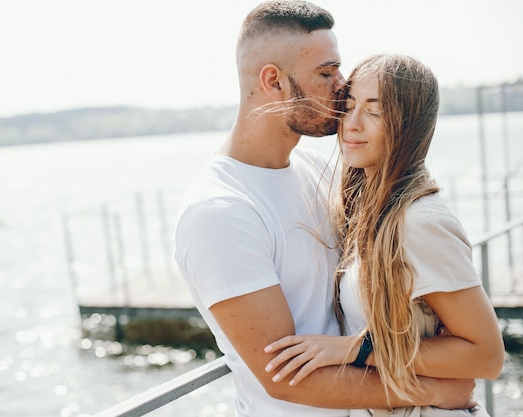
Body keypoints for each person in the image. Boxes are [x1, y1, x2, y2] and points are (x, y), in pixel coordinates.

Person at [174, 2, 477, 416]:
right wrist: (431, 391)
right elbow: (283, 378)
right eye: (326, 72)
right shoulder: (220, 212)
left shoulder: (318, 170)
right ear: (273, 81)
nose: (342, 85)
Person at [262, 54, 505, 416]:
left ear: (409, 125)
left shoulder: (420, 222)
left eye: (375, 111)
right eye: (349, 105)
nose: (351, 125)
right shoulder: (367, 212)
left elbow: (486, 356)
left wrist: (353, 349)